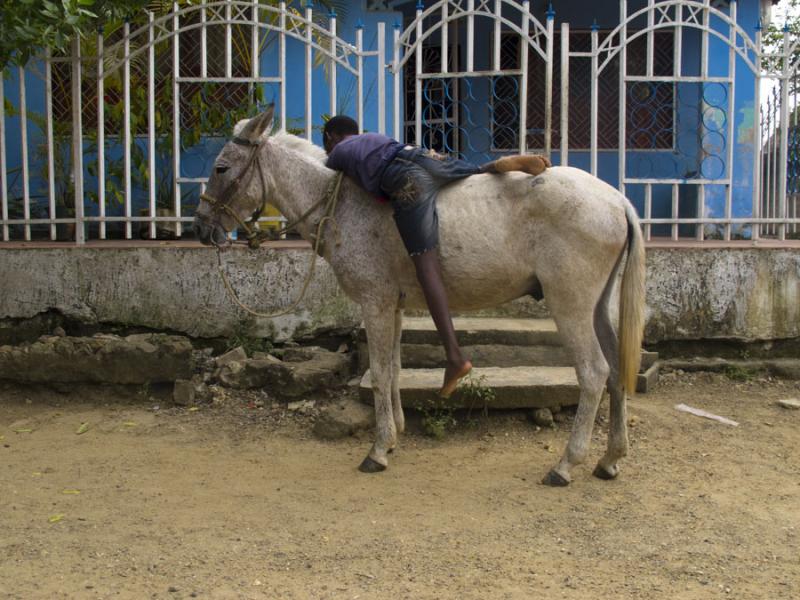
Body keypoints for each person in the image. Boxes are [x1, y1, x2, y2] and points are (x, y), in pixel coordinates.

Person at [323, 115, 550, 398]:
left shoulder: (338, 153)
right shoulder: (374, 137)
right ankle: (494, 166)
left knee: (425, 267)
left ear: (332, 137)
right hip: (421, 156)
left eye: (327, 143)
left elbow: (330, 186)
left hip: (405, 179)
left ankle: (455, 357)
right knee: (471, 172)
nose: (328, 149)